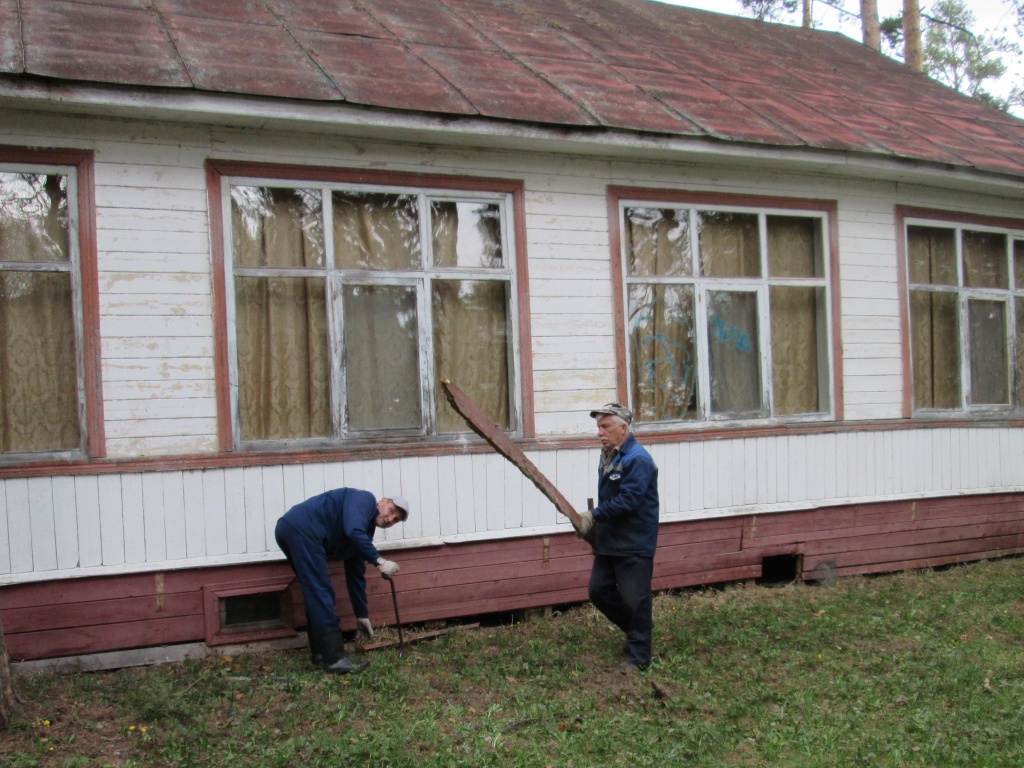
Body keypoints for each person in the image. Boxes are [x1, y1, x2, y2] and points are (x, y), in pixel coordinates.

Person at [274, 488, 410, 675]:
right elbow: (352, 530)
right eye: (392, 511)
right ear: (383, 501)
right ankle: (335, 660)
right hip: (302, 529)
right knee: (321, 591)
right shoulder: (364, 499)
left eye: (396, 520)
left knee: (316, 590)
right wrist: (379, 560)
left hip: (293, 529)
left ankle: (321, 654)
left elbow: (355, 574)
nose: (390, 519)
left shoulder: (363, 533)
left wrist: (361, 615)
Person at [575, 403, 660, 672]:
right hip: (610, 541)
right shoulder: (609, 455)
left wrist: (594, 515)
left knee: (635, 600)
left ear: (623, 428)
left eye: (606, 426)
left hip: (634, 541)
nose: (600, 432)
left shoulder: (638, 459)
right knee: (598, 591)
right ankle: (640, 630)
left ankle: (638, 657)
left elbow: (629, 501)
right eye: (598, 427)